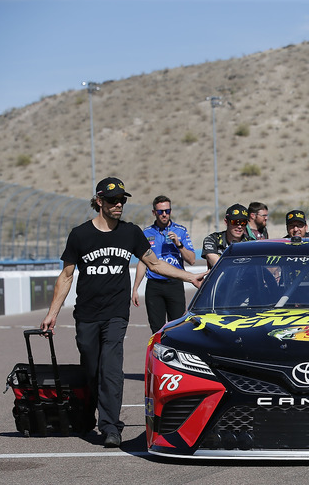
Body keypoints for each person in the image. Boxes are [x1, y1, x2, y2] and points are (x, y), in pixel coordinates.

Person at [40, 177, 206, 448]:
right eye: (113, 200)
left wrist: (189, 278)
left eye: (122, 200)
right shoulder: (80, 235)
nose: (119, 204)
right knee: (92, 368)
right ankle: (88, 415)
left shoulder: (130, 232)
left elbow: (154, 263)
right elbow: (67, 276)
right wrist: (52, 313)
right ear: (98, 201)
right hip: (86, 314)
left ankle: (110, 426)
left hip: (116, 313)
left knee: (112, 369)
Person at [131, 195, 196, 334]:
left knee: (178, 327)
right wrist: (135, 288)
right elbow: (143, 262)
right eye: (161, 212)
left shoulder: (181, 230)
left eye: (167, 211)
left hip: (175, 284)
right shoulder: (146, 233)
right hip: (154, 286)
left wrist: (179, 244)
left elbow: (191, 260)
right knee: (156, 329)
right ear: (154, 212)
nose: (164, 214)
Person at [201, 204, 251, 268]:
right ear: (226, 222)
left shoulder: (251, 243)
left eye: (243, 222)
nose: (239, 226)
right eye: (235, 222)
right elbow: (217, 264)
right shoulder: (212, 240)